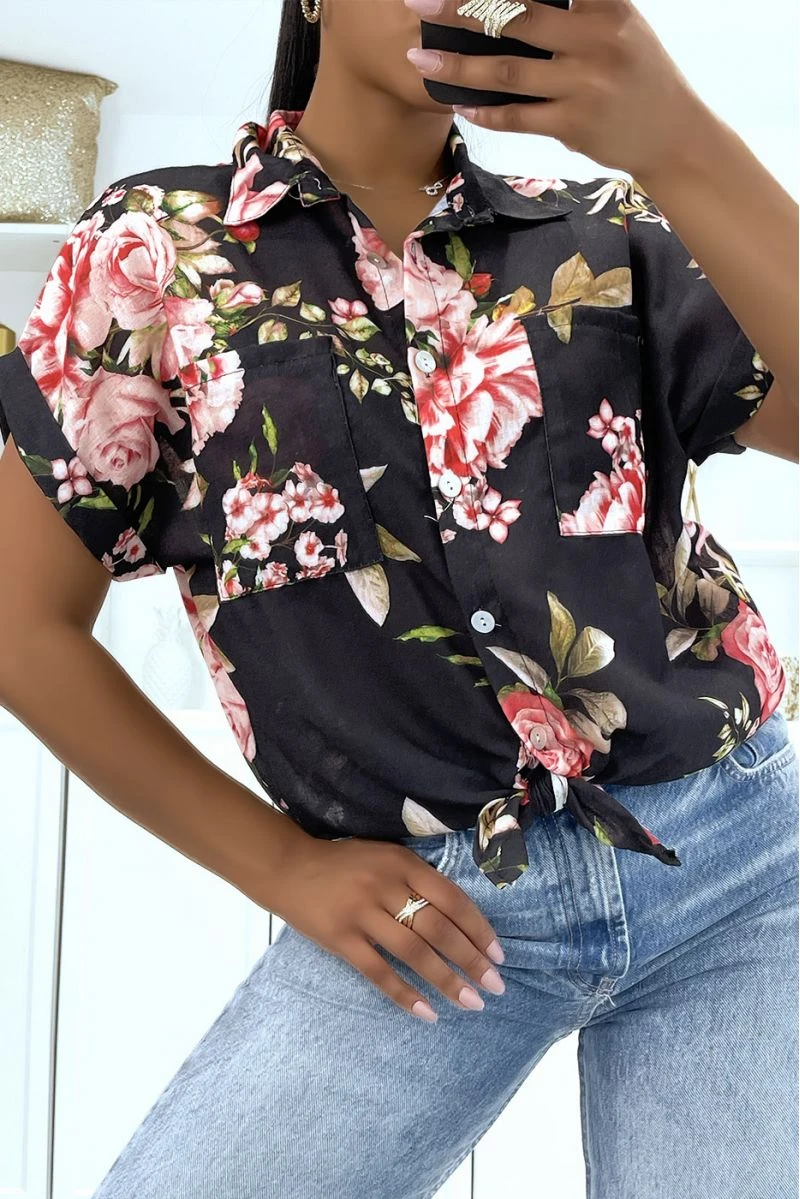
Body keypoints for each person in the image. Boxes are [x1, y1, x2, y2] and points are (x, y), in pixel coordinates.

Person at [0, 0, 797, 1195]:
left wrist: (679, 138)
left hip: (734, 865)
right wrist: (282, 867)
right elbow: (19, 625)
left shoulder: (608, 228)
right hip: (428, 913)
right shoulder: (154, 251)